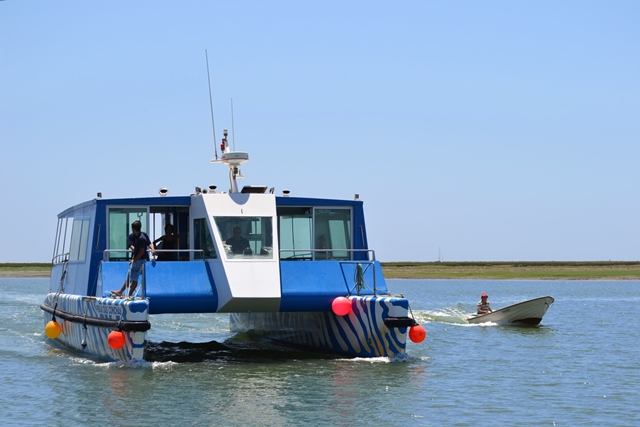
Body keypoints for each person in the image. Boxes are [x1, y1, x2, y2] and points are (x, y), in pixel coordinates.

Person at [112, 220, 155, 297]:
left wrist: (135, 259)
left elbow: (142, 251)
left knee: (133, 278)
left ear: (133, 228)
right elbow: (135, 250)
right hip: (137, 259)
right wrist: (133, 258)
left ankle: (128, 294)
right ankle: (122, 292)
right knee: (131, 277)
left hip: (139, 260)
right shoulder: (134, 236)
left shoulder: (141, 238)